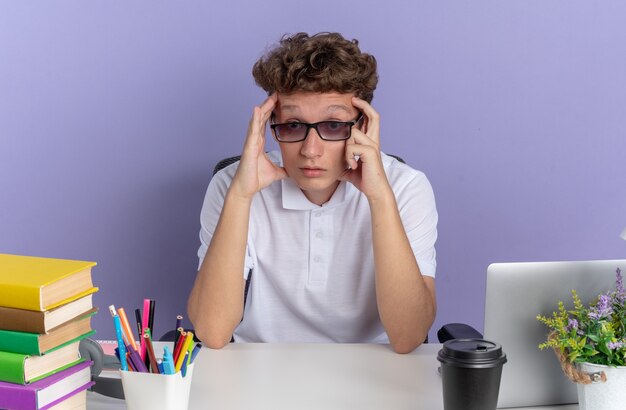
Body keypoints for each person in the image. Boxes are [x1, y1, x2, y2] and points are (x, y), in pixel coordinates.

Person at [187, 32, 437, 354]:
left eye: (333, 126)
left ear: (362, 126)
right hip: (260, 371)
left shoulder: (405, 188)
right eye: (292, 125)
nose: (311, 150)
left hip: (372, 370)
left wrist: (379, 198)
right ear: (269, 124)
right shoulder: (231, 185)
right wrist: (240, 196)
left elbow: (408, 337)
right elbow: (211, 332)